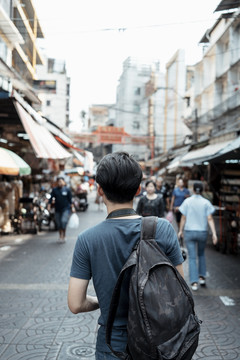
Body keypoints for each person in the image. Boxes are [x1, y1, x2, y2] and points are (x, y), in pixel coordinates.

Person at [68, 152, 184, 359]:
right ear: (139, 190)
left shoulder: (87, 239)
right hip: (158, 341)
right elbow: (180, 288)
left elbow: (75, 304)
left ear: (100, 189)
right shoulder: (164, 229)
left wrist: (101, 302)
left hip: (112, 342)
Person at [178, 181, 218, 291]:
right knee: (201, 254)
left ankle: (194, 282)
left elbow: (183, 217)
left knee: (191, 257)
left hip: (189, 231)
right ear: (203, 190)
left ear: (193, 190)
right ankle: (202, 277)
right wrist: (214, 233)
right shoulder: (206, 202)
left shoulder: (187, 201)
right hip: (202, 232)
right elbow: (209, 218)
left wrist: (180, 230)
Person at [48, 177, 74, 243]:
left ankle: (64, 235)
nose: (60, 183)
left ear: (64, 182)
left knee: (63, 221)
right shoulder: (54, 190)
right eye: (59, 181)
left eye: (61, 181)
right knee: (58, 224)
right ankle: (60, 236)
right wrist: (49, 206)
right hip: (57, 209)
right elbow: (51, 199)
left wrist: (72, 207)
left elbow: (70, 200)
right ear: (57, 183)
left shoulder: (67, 190)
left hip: (65, 209)